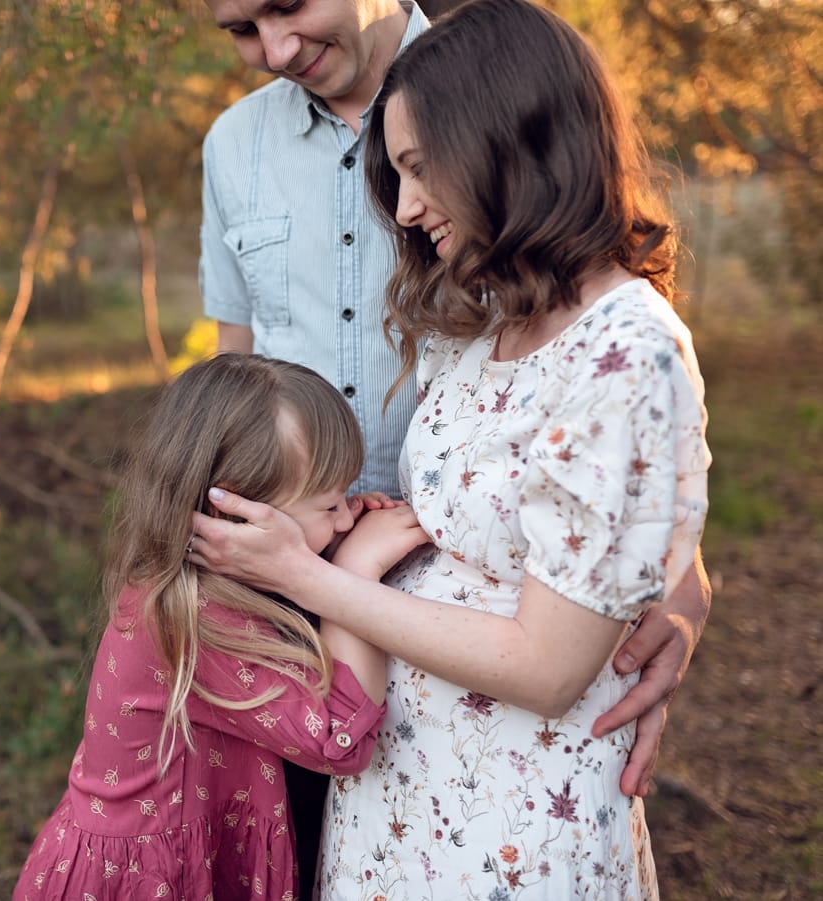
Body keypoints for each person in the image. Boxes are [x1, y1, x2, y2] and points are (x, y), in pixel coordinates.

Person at [190, 0, 711, 895]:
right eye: (239, 28)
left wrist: (685, 590)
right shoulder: (473, 314)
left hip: (508, 809)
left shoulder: (622, 340)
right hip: (385, 768)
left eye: (420, 170)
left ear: (510, 144)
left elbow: (558, 643)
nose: (405, 205)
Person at [11, 354, 429, 900]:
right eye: (329, 504)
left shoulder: (191, 575)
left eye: (346, 494)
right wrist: (354, 574)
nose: (348, 518)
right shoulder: (193, 615)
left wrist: (324, 551)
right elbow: (339, 743)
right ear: (237, 517)